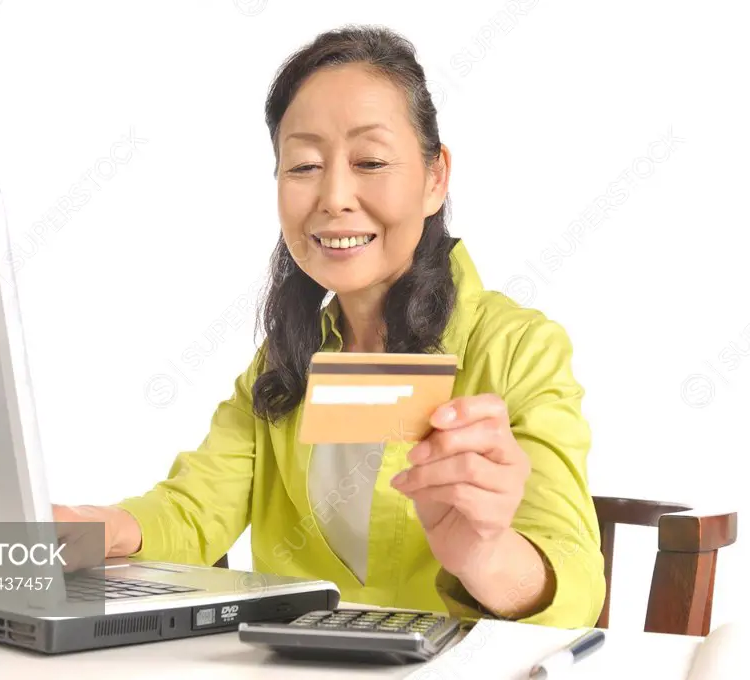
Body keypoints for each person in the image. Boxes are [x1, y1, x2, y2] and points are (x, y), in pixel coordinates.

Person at [53, 24, 605, 628]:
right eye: (304, 166)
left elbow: (577, 587)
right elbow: (193, 509)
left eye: (370, 161)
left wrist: (485, 553)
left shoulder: (519, 348)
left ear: (435, 178)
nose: (335, 196)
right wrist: (90, 530)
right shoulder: (285, 358)